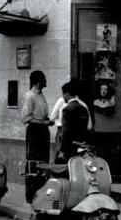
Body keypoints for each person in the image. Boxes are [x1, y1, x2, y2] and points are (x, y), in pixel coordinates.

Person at [21, 70, 52, 204]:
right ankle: (31, 195)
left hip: (43, 131)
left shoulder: (41, 96)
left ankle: (40, 192)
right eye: (44, 79)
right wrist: (43, 122)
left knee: (43, 162)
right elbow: (25, 118)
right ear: (39, 81)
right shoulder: (30, 96)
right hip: (35, 132)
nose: (46, 81)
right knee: (34, 163)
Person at [57, 81, 92, 163]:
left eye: (63, 94)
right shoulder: (83, 107)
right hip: (82, 144)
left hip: (70, 147)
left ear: (67, 93)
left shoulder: (67, 109)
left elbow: (66, 131)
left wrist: (62, 149)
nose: (63, 96)